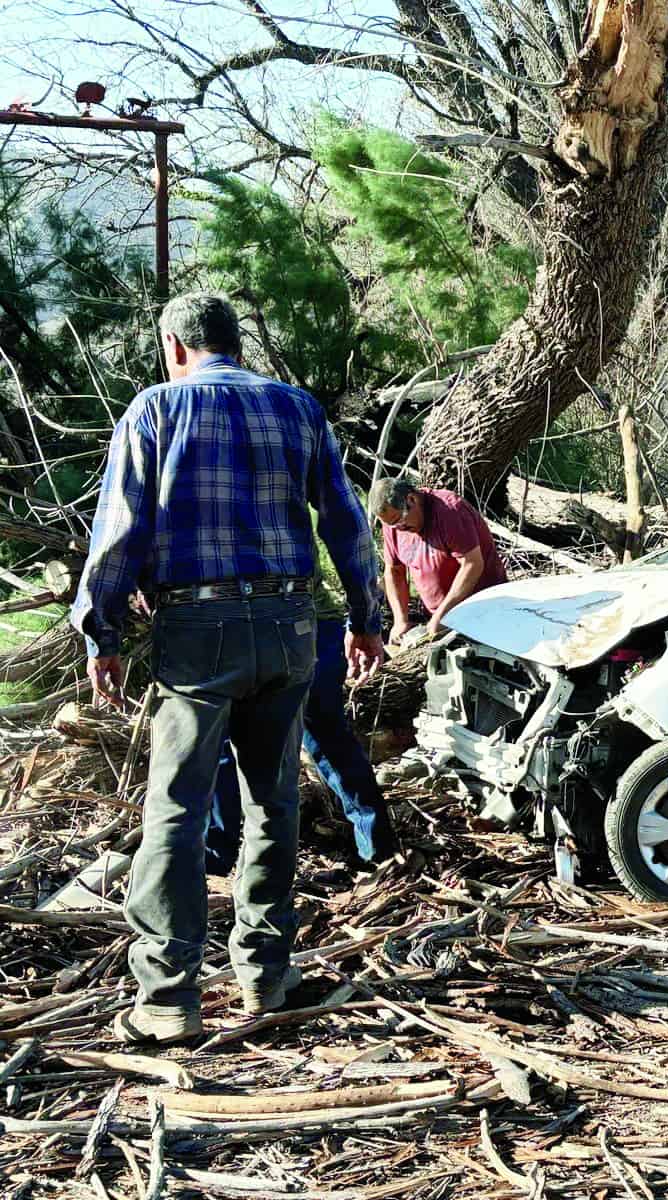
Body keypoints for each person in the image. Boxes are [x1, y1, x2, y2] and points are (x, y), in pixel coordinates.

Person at [72, 293, 385, 1045]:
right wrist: (369, 618)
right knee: (273, 801)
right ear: (234, 345)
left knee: (176, 807)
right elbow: (345, 522)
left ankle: (169, 994)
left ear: (176, 346)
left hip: (200, 626)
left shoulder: (156, 409)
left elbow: (119, 533)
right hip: (289, 626)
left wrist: (101, 630)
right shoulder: (297, 409)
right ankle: (266, 975)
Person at [205, 533, 399, 877]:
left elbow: (348, 544)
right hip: (252, 632)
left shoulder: (275, 506)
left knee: (324, 735)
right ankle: (215, 858)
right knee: (223, 739)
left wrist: (364, 622)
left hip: (306, 629)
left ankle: (378, 850)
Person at [370, 475, 507, 640]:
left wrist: (443, 615)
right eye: (391, 524)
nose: (399, 529)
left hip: (485, 610)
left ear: (412, 499)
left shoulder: (450, 511)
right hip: (438, 617)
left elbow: (472, 564)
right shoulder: (393, 524)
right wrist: (400, 620)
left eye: (400, 520)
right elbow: (394, 571)